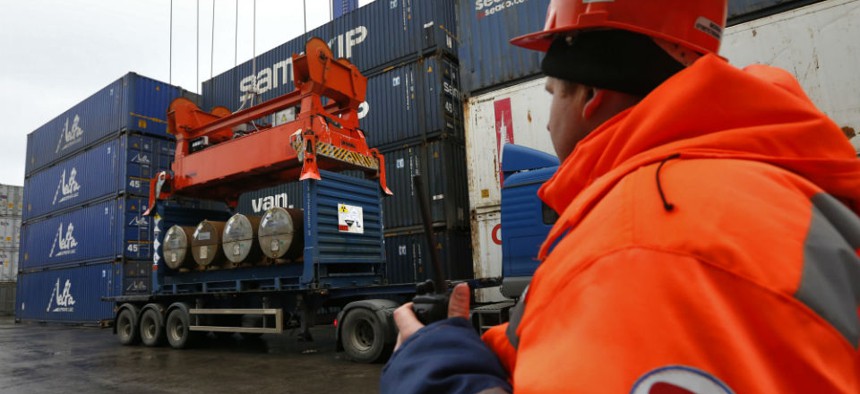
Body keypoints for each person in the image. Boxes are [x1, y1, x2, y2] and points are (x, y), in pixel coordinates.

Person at [381, 0, 860, 392]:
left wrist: (430, 373)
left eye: (552, 93)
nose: (547, 122)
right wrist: (457, 344)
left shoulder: (637, 241)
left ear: (590, 94)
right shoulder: (786, 189)